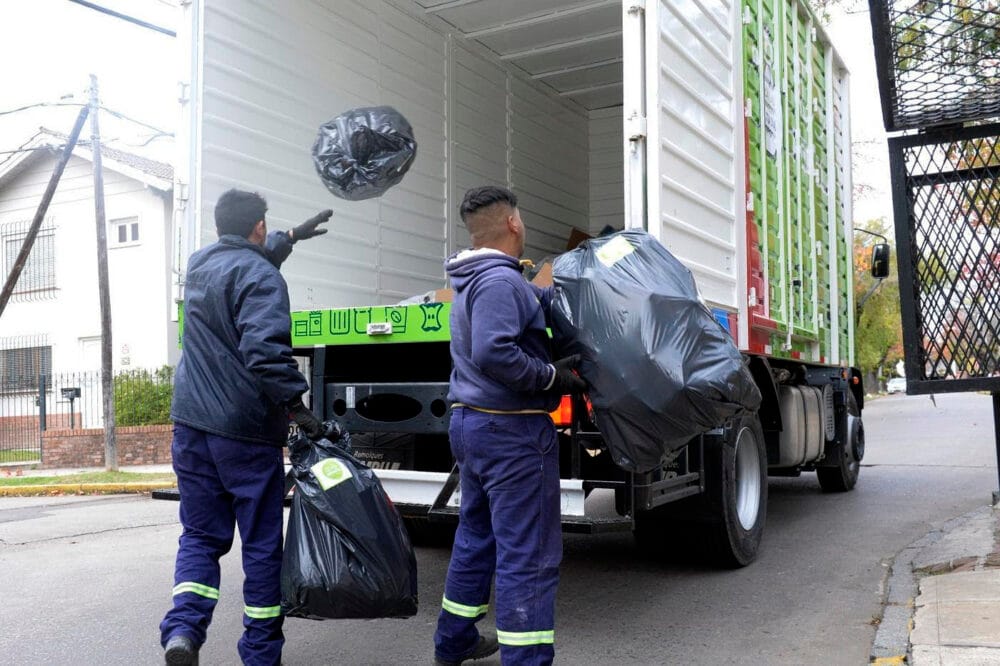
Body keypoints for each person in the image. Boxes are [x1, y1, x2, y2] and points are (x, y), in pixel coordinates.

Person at [160, 189, 337, 666]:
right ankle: (260, 654)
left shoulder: (200, 265)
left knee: (199, 536)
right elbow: (264, 352)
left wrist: (291, 237)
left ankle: (182, 630)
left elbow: (239, 265)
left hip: (191, 424)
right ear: (258, 227)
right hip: (243, 430)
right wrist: (298, 409)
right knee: (260, 544)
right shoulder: (261, 275)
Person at [434, 185, 587, 666]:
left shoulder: (477, 278)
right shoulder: (500, 283)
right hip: (511, 432)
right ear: (514, 224)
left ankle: (454, 641)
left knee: (476, 536)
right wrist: (552, 376)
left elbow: (509, 320)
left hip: (475, 426)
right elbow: (494, 350)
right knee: (530, 554)